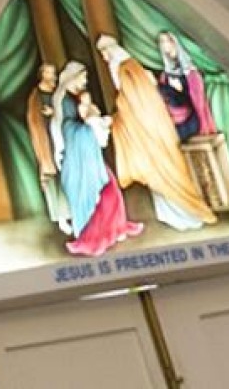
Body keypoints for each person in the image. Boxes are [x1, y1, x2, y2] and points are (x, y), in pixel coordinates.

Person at [96, 34, 217, 231]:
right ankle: (172, 215)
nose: (104, 57)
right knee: (157, 174)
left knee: (166, 173)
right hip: (149, 132)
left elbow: (135, 104)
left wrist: (118, 119)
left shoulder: (128, 72)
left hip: (152, 132)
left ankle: (186, 214)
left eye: (105, 52)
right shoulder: (128, 71)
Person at [51, 61, 142, 257]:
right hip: (79, 158)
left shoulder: (76, 98)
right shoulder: (65, 101)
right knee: (93, 194)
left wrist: (96, 123)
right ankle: (94, 234)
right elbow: (67, 128)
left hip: (89, 152)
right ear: (72, 77)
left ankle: (114, 228)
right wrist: (90, 127)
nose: (84, 81)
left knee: (111, 189)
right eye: (82, 77)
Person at [25, 62, 72, 234]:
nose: (52, 76)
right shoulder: (35, 97)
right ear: (41, 74)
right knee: (53, 179)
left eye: (53, 73)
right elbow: (34, 122)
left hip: (62, 138)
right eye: (49, 73)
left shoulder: (57, 93)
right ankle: (61, 217)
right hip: (47, 143)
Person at [156, 31, 217, 142]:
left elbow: (197, 102)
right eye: (162, 42)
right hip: (175, 119)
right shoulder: (165, 75)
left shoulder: (190, 72)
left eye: (167, 41)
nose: (165, 45)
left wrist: (178, 89)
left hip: (191, 119)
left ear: (174, 42)